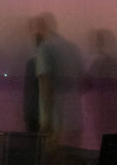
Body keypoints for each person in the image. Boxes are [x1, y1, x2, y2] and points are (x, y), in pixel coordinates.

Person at [34, 12, 84, 152]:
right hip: (76, 120)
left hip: (57, 124)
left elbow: (45, 85)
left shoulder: (45, 48)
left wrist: (46, 122)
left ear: (40, 27)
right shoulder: (73, 48)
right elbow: (86, 82)